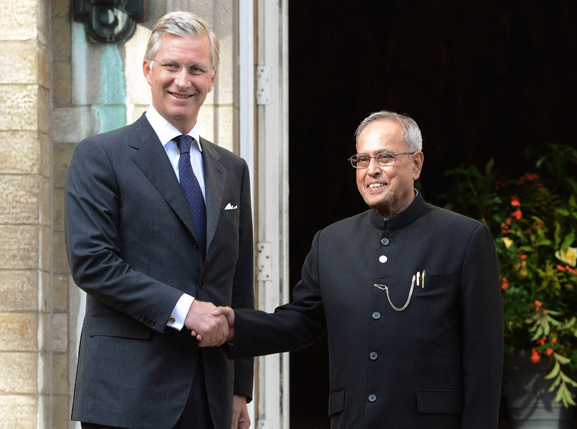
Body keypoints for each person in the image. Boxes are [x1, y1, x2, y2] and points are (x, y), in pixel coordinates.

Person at [211, 111, 504, 428]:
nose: (372, 170)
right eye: (362, 160)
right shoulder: (331, 242)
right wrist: (235, 325)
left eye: (385, 157)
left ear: (416, 164)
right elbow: (299, 322)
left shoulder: (464, 238)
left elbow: (483, 361)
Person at [64, 11, 254, 429]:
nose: (183, 80)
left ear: (213, 77)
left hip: (211, 396)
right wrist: (185, 310)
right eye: (171, 66)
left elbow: (237, 282)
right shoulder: (100, 156)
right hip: (127, 395)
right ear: (148, 70)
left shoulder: (233, 169)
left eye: (196, 69)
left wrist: (240, 387)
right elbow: (93, 263)